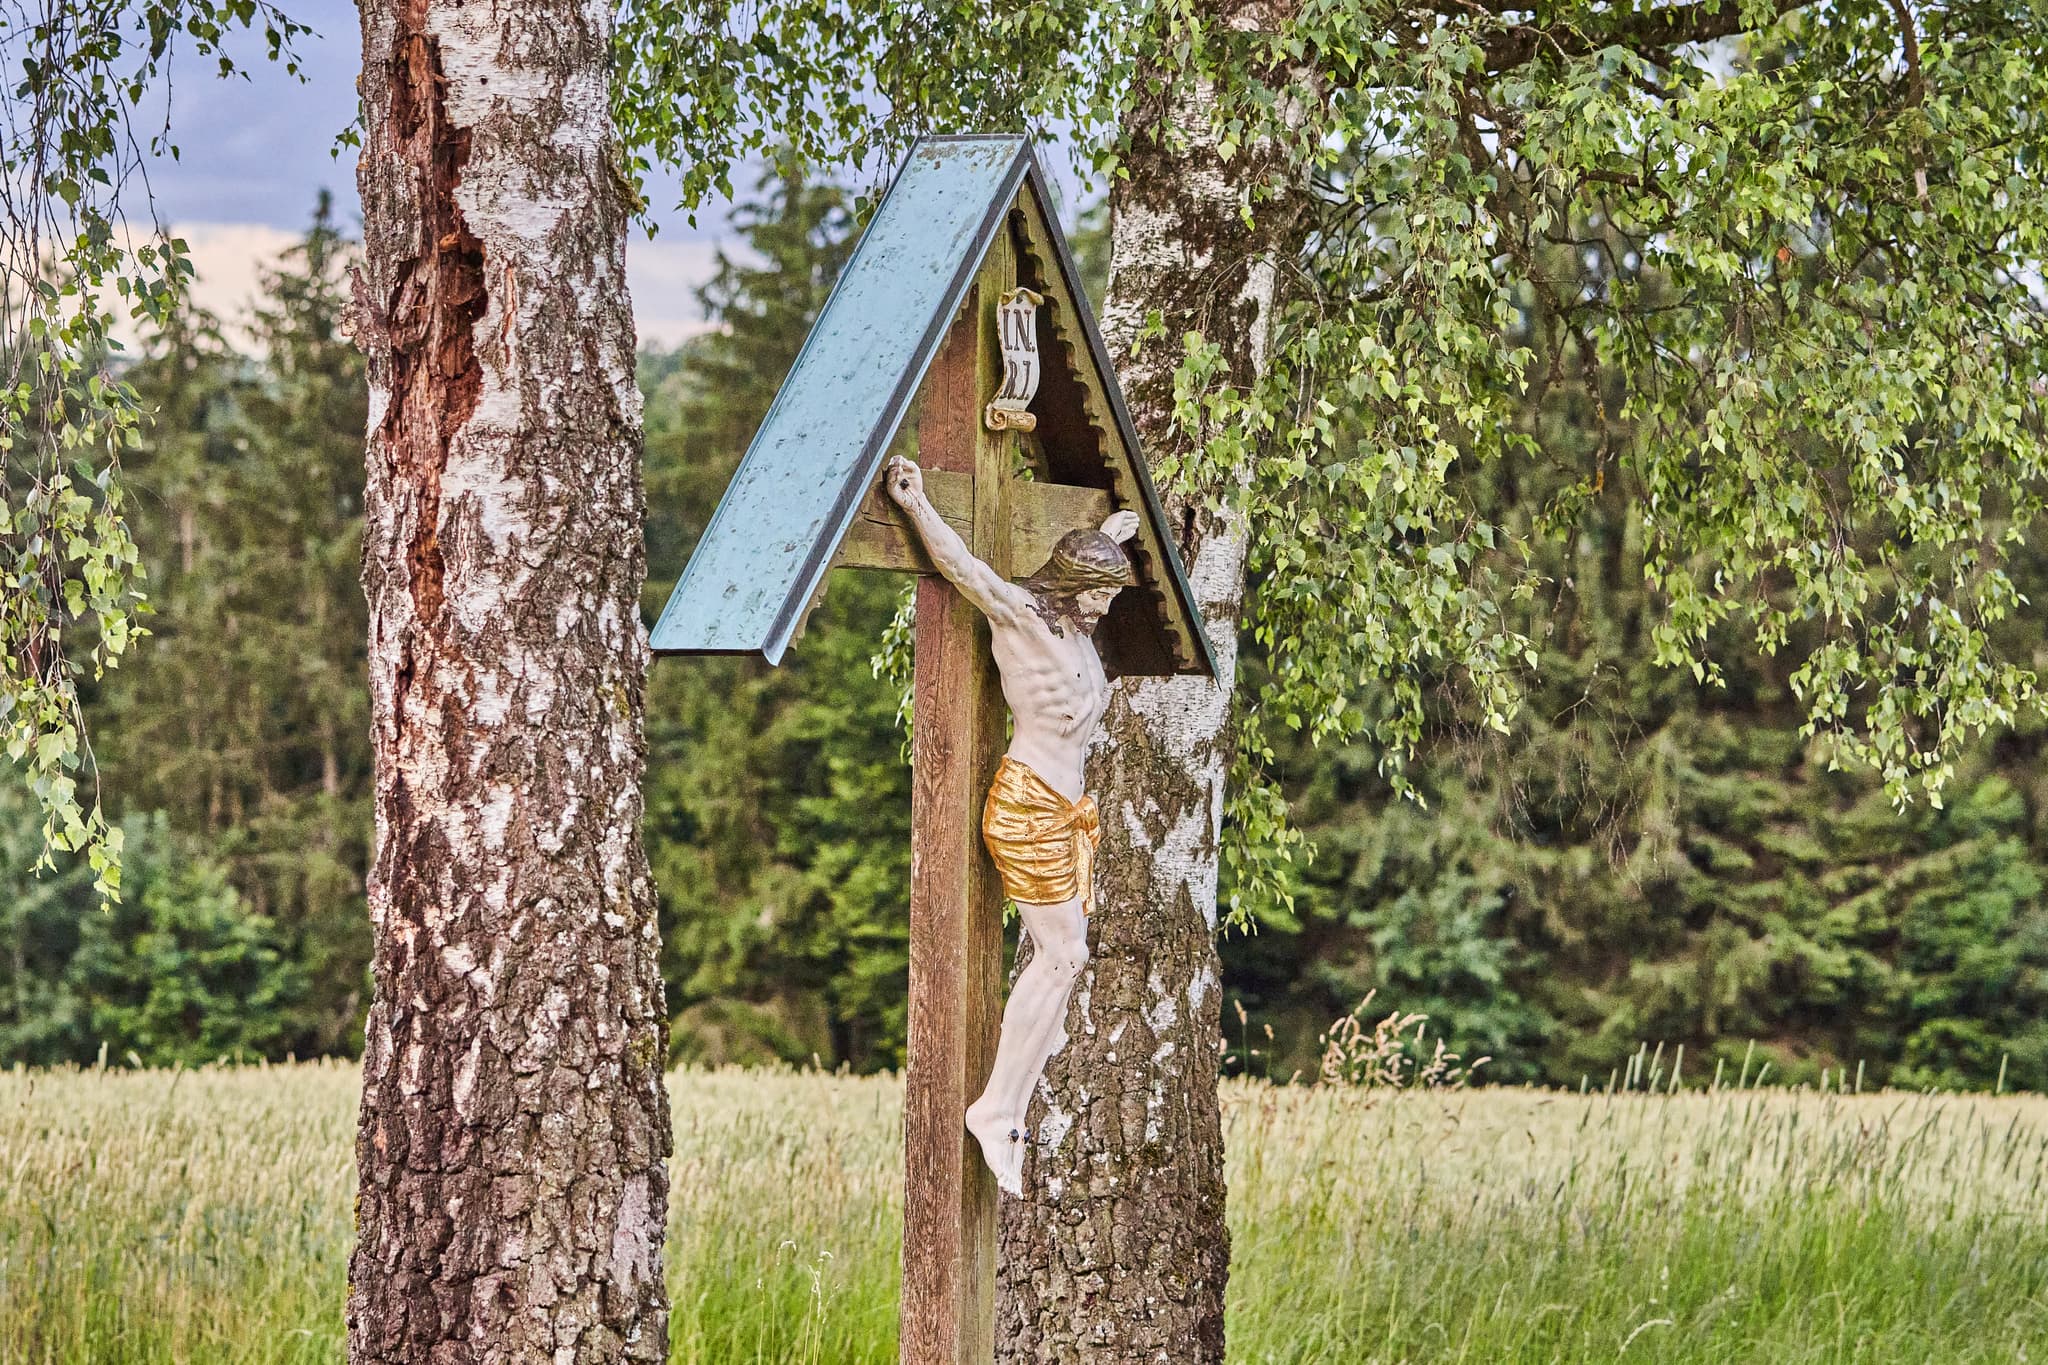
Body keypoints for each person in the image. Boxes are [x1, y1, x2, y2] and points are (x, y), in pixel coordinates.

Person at [884, 452, 1137, 1195]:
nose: (1106, 608)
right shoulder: (1024, 617)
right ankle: (996, 1110)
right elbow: (967, 570)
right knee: (1063, 956)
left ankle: (1018, 1084)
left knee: (1065, 960)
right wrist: (917, 504)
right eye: (1099, 593)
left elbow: (1095, 550)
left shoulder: (1080, 633)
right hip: (1027, 805)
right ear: (1072, 584)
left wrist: (1111, 537)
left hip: (1068, 813)